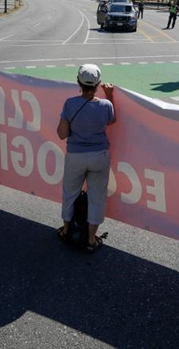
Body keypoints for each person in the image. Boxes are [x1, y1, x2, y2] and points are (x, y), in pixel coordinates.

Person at [56, 64, 116, 253]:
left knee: (70, 193)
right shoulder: (106, 105)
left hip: (76, 155)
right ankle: (91, 239)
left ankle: (66, 230)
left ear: (78, 82)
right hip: (100, 155)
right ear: (98, 84)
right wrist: (110, 95)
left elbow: (61, 134)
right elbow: (111, 120)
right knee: (97, 197)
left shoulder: (70, 104)